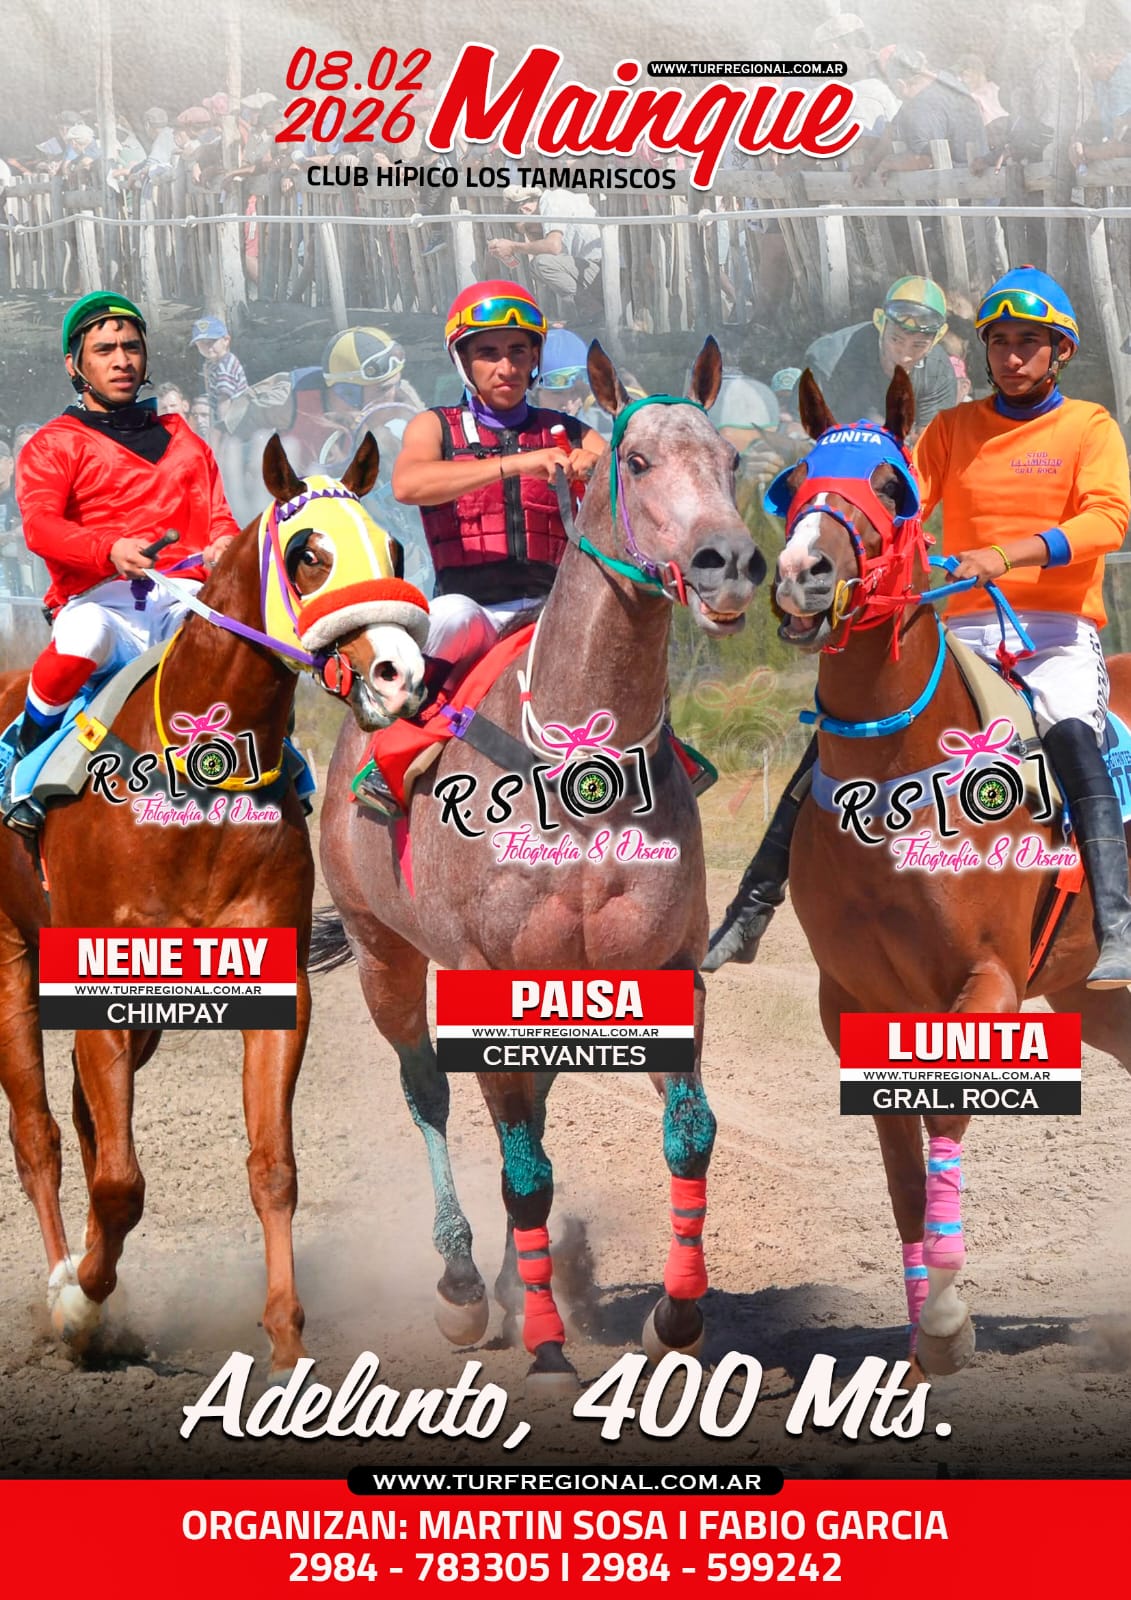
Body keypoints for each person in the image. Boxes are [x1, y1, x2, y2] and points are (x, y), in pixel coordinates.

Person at [705, 266, 1131, 990]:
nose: (1011, 357)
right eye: (999, 342)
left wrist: (1005, 554)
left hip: (1054, 634)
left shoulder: (1088, 426)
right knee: (834, 739)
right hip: (962, 630)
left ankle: (1116, 924)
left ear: (1060, 351)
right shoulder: (952, 430)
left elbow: (1107, 520)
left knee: (1069, 735)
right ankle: (753, 903)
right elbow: (900, 504)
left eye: (1029, 343)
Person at [0, 291, 240, 834]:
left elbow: (219, 518)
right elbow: (40, 527)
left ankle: (282, 767)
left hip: (183, 601)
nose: (122, 360)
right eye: (105, 350)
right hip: (97, 603)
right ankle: (21, 758)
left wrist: (225, 544)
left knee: (242, 648)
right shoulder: (52, 444)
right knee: (84, 636)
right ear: (74, 364)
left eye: (131, 347)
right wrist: (107, 549)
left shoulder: (184, 438)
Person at [391, 280, 604, 683]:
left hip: (554, 610)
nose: (506, 368)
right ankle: (406, 721)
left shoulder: (573, 432)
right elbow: (407, 484)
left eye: (517, 351)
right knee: (450, 615)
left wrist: (596, 467)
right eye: (488, 353)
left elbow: (628, 484)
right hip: (472, 615)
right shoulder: (433, 426)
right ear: (463, 360)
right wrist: (517, 464)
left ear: (534, 357)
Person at [805, 275, 957, 439]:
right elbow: (799, 431)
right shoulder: (831, 359)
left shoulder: (938, 370)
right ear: (880, 322)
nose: (904, 356)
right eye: (896, 339)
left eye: (918, 345)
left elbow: (932, 441)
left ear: (937, 338)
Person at [487, 187, 603, 317]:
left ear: (525, 209)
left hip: (600, 270)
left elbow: (553, 246)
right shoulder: (556, 206)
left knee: (541, 263)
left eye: (529, 229)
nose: (534, 233)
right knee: (538, 267)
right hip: (594, 272)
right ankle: (591, 312)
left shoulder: (553, 199)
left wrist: (513, 247)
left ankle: (594, 311)